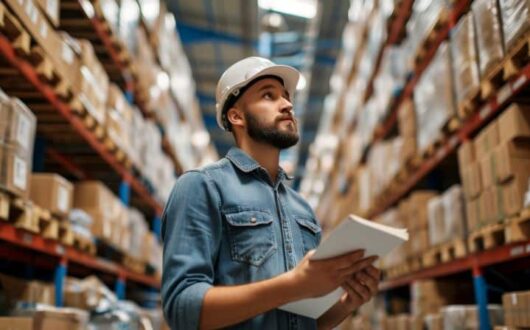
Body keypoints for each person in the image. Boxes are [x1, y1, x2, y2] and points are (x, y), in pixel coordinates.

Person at [161, 57, 380, 329]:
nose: (287, 105)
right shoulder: (202, 187)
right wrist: (293, 285)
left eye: (287, 97)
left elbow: (308, 320)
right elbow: (182, 308)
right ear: (236, 116)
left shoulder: (302, 210)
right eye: (269, 95)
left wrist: (348, 302)